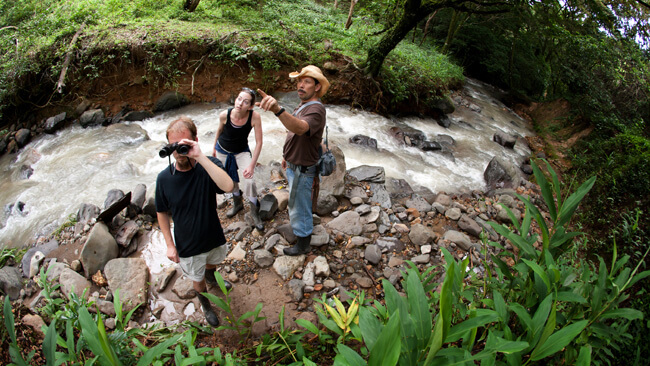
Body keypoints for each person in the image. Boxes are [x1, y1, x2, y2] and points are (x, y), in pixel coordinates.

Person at [155, 116, 235, 327]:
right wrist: (170, 245)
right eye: (174, 146)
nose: (178, 152)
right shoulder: (164, 179)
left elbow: (228, 187)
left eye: (184, 145)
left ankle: (212, 278)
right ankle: (206, 305)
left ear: (195, 141)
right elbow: (161, 212)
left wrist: (199, 156)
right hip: (188, 244)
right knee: (196, 280)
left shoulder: (208, 166)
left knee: (213, 262)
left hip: (212, 235)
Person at [256, 65, 330, 256]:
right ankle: (303, 229)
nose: (300, 85)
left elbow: (300, 128)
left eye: (306, 81)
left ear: (317, 87)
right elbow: (294, 133)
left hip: (303, 170)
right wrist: (286, 157)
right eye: (299, 81)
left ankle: (303, 244)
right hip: (295, 165)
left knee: (299, 207)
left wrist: (277, 110)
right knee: (299, 203)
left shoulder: (316, 109)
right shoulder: (303, 105)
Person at [212, 87, 264, 231]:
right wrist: (213, 149)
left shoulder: (254, 117)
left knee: (250, 180)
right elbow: (219, 131)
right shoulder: (225, 115)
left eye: (246, 101)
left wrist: (252, 165)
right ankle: (238, 203)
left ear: (251, 106)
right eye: (239, 99)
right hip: (222, 150)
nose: (240, 103)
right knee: (230, 181)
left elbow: (259, 142)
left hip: (241, 151)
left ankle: (254, 211)